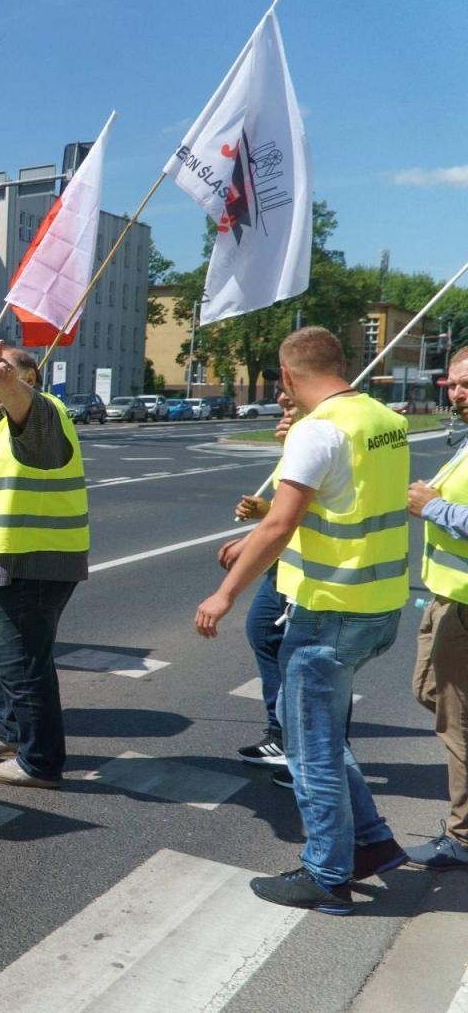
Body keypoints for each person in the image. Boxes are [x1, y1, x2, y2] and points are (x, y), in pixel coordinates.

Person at [195, 327, 410, 915]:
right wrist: (252, 541)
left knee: (308, 748)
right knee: (324, 739)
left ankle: (326, 875)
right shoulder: (384, 418)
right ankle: (373, 844)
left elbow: (282, 523)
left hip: (329, 610)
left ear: (287, 377)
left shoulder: (317, 431)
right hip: (379, 603)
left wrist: (224, 594)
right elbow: (341, 505)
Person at [0, 343, 86, 790]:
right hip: (6, 562)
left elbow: (34, 425)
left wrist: (13, 387)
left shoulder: (44, 412)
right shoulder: (5, 426)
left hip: (34, 561)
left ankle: (41, 761)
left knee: (23, 664)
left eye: (6, 373)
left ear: (31, 379)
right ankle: (11, 733)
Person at [403, 344, 468, 870]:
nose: (455, 391)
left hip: (466, 606)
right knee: (430, 693)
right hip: (447, 598)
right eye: (450, 383)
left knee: (457, 722)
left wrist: (435, 507)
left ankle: (463, 837)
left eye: (465, 382)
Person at [218, 389, 297, 769]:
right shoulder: (300, 440)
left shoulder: (321, 437)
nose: (282, 402)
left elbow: (293, 517)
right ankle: (282, 735)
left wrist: (225, 593)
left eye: (290, 396)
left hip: (314, 570)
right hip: (290, 563)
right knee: (265, 630)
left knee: (310, 663)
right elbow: (282, 512)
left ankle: (301, 754)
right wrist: (254, 531)